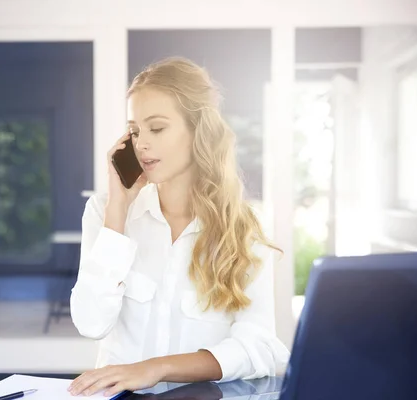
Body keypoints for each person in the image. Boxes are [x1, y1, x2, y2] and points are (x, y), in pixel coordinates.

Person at [68, 57, 290, 397]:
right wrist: (119, 211)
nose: (141, 144)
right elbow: (90, 323)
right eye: (135, 130)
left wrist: (156, 368)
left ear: (198, 131)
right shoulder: (105, 210)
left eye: (156, 128)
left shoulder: (244, 228)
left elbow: (259, 346)